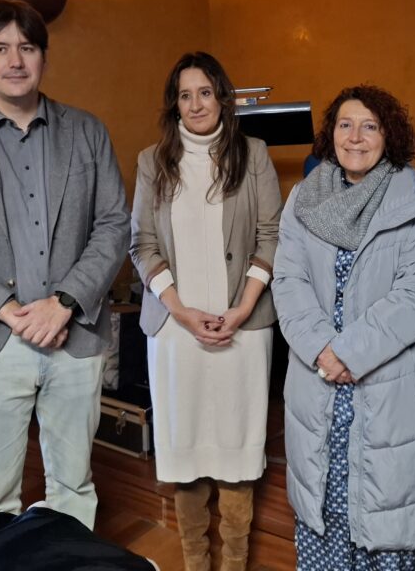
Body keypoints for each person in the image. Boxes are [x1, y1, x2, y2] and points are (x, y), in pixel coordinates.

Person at [0, 0, 130, 529]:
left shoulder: (87, 132)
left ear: (43, 58)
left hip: (74, 336)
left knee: (74, 487)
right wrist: (9, 311)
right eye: (0, 48)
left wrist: (65, 303)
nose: (15, 60)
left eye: (27, 48)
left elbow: (113, 224)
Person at [272, 85, 415, 570]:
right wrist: (322, 350)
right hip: (318, 378)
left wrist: (349, 353)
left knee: (388, 511)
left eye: (370, 126)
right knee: (323, 504)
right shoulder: (303, 198)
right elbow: (288, 279)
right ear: (331, 134)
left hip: (386, 383)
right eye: (345, 125)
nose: (355, 137)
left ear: (389, 136)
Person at [129, 52, 282, 571]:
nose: (195, 104)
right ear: (174, 103)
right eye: (185, 95)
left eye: (205, 93)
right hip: (176, 332)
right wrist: (180, 311)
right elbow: (142, 244)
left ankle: (234, 563)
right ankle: (196, 562)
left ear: (223, 98)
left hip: (244, 328)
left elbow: (271, 234)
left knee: (237, 450)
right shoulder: (152, 161)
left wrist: (242, 308)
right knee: (187, 451)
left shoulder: (253, 153)